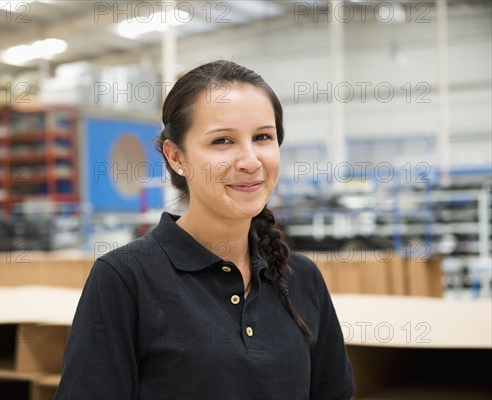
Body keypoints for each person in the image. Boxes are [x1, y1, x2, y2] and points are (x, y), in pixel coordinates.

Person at [55, 60, 355, 400]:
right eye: (223, 141)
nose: (250, 160)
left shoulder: (302, 278)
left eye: (262, 137)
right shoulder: (125, 279)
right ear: (176, 157)